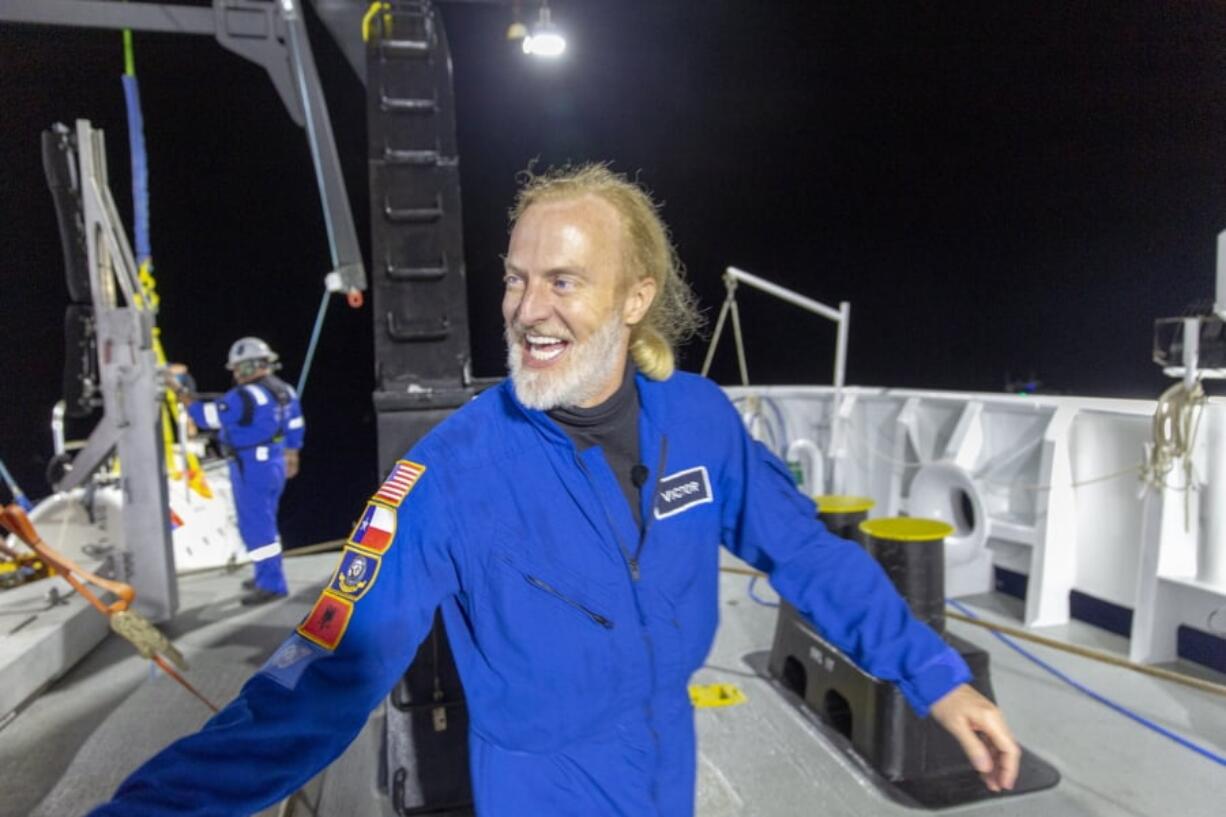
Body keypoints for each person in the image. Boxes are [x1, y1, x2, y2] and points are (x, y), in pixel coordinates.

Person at [94, 165, 1018, 816]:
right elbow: (326, 671)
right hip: (542, 783)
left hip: (667, 751)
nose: (529, 309)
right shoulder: (445, 475)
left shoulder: (698, 420)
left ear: (632, 298)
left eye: (564, 281)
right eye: (517, 279)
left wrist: (933, 674)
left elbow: (808, 551)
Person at [168, 338, 305, 606]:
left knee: (256, 526)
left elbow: (205, 416)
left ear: (249, 366)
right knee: (266, 521)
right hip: (275, 462)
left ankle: (271, 584)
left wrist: (181, 393)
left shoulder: (243, 396)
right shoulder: (284, 390)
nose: (234, 374)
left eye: (236, 369)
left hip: (252, 466)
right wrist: (292, 453)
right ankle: (265, 573)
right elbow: (295, 423)